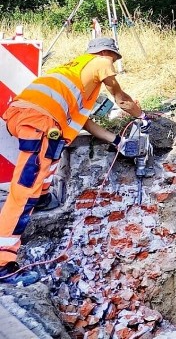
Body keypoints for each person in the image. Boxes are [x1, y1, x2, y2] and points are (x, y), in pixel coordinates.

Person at [0, 37, 145, 285]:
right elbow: (121, 98)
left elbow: (84, 123)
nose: (113, 63)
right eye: (114, 58)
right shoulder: (100, 61)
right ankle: (3, 264)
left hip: (23, 116)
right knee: (23, 191)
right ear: (106, 52)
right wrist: (142, 116)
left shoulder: (71, 75)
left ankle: (43, 197)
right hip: (40, 123)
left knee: (48, 159)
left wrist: (117, 141)